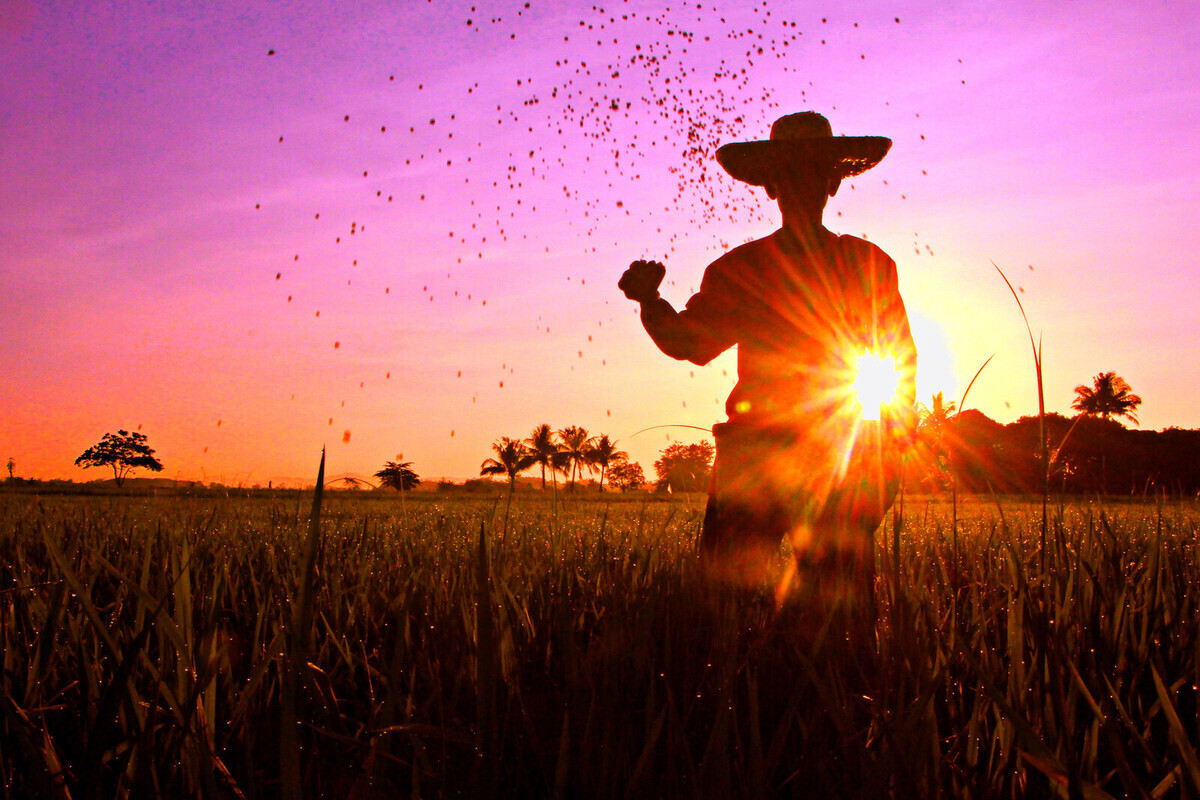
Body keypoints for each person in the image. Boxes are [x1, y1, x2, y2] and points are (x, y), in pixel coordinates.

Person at [619, 111, 917, 594]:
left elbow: (900, 364)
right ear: (775, 186)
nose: (801, 183)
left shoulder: (757, 267)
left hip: (800, 453)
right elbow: (691, 345)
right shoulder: (858, 264)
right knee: (765, 600)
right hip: (794, 453)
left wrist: (886, 455)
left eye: (810, 171)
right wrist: (652, 302)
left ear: (828, 183)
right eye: (792, 172)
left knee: (775, 603)